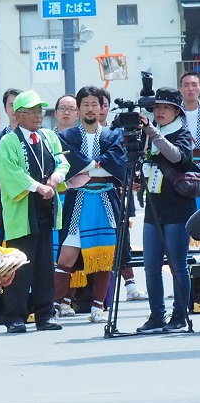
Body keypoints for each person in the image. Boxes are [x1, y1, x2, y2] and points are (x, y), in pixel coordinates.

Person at [0, 89, 70, 334]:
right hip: (22, 211)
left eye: (40, 110)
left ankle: (45, 314)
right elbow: (9, 172)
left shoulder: (49, 136)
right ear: (19, 115)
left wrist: (58, 176)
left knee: (45, 265)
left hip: (46, 209)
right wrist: (38, 187)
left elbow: (62, 160)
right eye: (32, 111)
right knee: (18, 264)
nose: (39, 115)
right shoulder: (8, 141)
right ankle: (16, 316)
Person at [56, 86, 126, 324]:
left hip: (106, 199)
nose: (90, 108)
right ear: (79, 108)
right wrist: (97, 165)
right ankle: (56, 304)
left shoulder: (112, 135)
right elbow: (69, 162)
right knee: (67, 254)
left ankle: (98, 306)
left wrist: (88, 166)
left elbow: (117, 164)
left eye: (94, 103)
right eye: (85, 104)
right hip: (78, 200)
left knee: (105, 255)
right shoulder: (68, 137)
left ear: (101, 107)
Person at [137, 87, 195, 333]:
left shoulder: (182, 133)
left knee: (177, 264)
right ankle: (156, 315)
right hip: (153, 208)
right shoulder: (150, 135)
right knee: (150, 266)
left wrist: (151, 131)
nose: (159, 112)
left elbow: (176, 157)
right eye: (157, 107)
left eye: (166, 107)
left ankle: (180, 315)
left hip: (178, 208)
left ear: (176, 111)